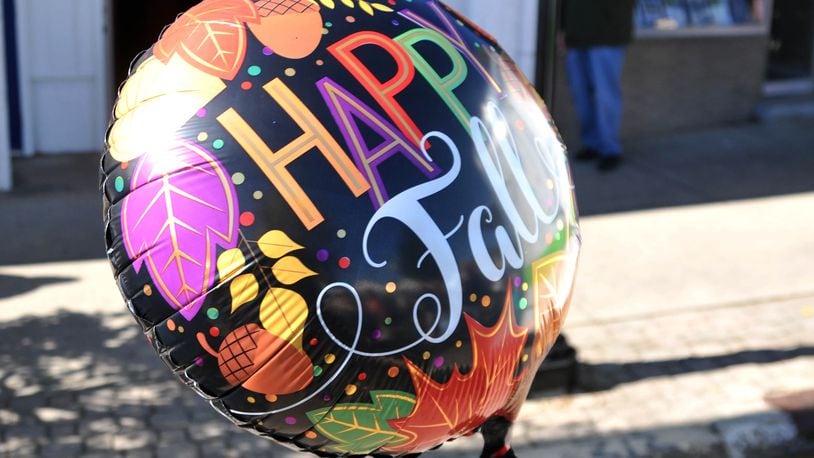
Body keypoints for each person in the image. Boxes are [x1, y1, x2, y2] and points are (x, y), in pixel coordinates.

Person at [562, 0, 636, 172]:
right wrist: (563, 29)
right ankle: (592, 144)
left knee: (606, 95)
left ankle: (610, 149)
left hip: (608, 36)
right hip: (576, 36)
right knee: (581, 95)